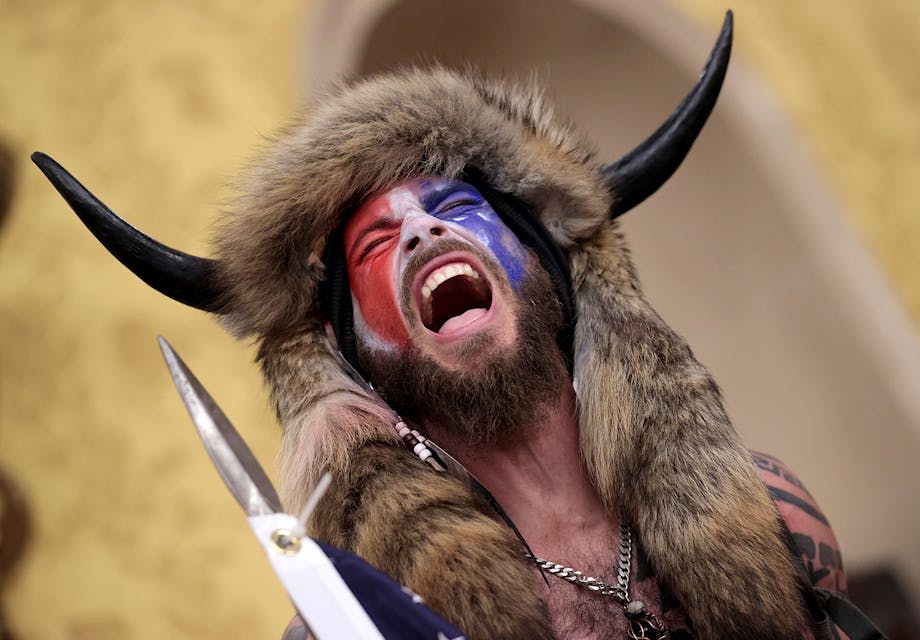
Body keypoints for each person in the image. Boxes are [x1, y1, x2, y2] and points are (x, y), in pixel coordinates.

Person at [36, 13, 859, 640]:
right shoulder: (353, 625)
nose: (427, 235)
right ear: (357, 356)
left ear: (547, 267)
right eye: (378, 243)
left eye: (456, 207)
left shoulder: (775, 513)